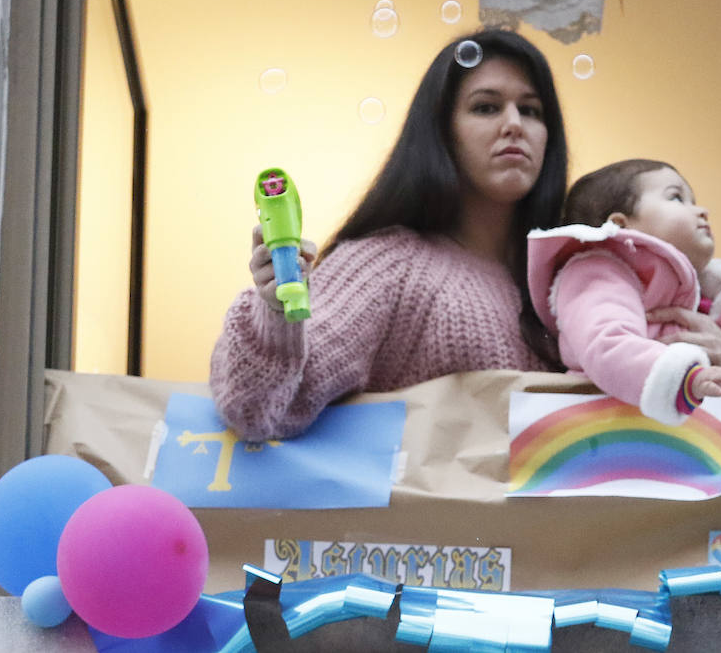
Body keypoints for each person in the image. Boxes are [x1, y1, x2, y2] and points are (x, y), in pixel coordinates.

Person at [210, 29, 570, 440]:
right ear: (442, 131)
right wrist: (277, 314)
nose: (513, 125)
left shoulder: (573, 281)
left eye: (531, 111)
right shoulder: (389, 264)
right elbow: (257, 408)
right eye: (486, 107)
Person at [526, 158, 721, 425]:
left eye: (694, 199)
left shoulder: (696, 295)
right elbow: (606, 344)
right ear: (621, 223)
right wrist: (686, 378)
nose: (702, 210)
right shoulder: (596, 271)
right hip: (604, 428)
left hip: (681, 443)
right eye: (676, 198)